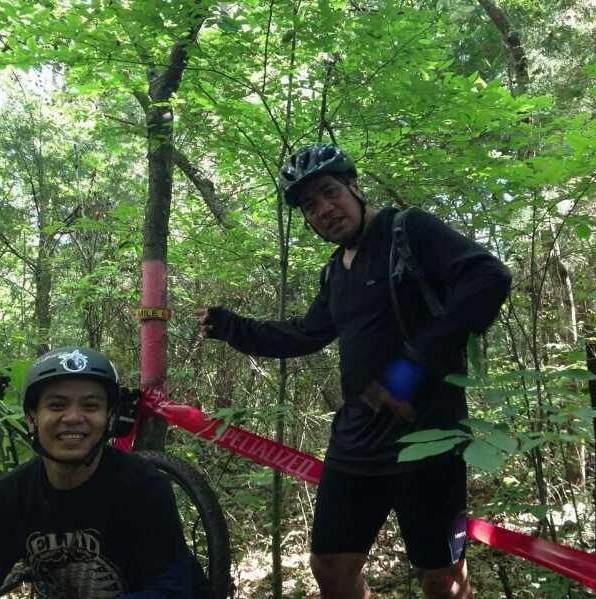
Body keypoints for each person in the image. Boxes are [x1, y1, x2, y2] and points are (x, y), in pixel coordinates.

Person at [197, 143, 512, 598]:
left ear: (354, 188)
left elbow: (489, 278)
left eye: (330, 193)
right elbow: (306, 334)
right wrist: (233, 328)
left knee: (440, 577)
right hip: (356, 443)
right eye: (310, 206)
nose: (324, 210)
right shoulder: (334, 273)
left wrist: (414, 362)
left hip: (427, 437)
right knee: (331, 566)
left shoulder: (407, 231)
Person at [0, 346, 194, 599]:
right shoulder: (7, 497)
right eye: (56, 405)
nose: (73, 417)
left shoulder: (144, 487)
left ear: (109, 418)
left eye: (90, 406)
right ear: (32, 418)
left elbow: (174, 588)